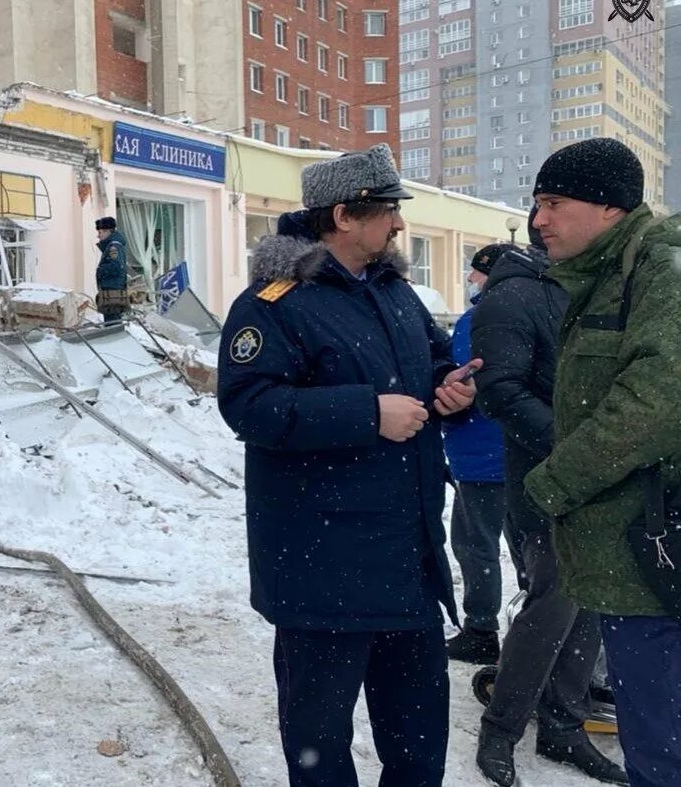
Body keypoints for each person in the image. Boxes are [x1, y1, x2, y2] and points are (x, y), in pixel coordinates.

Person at [218, 144, 479, 787]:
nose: (398, 225)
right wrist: (368, 412)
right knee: (320, 748)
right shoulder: (273, 303)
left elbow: (434, 358)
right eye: (388, 211)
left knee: (418, 749)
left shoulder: (394, 291)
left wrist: (450, 386)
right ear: (343, 214)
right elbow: (250, 405)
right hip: (323, 571)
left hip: (408, 563)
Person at [521, 138, 681, 787]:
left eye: (553, 203)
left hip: (655, 561)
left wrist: (555, 481)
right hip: (633, 557)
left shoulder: (658, 271)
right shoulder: (608, 275)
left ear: (610, 208)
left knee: (661, 753)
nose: (539, 220)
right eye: (535, 204)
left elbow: (654, 400)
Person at [471, 206, 626, 785]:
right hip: (546, 484)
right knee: (552, 607)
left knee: (590, 606)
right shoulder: (512, 297)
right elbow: (502, 394)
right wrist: (578, 446)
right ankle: (501, 728)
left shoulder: (586, 287)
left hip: (600, 481)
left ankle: (564, 728)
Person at [444, 243, 524, 666]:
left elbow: (459, 383)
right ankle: (538, 627)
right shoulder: (535, 311)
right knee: (531, 548)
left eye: (477, 272)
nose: (472, 279)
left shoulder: (479, 322)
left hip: (481, 454)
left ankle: (480, 629)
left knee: (476, 545)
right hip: (523, 451)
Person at [94, 216, 128, 323]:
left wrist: (100, 270)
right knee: (112, 322)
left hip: (113, 294)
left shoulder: (113, 247)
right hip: (112, 292)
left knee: (113, 325)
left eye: (100, 232)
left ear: (108, 231)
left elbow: (117, 266)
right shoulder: (112, 245)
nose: (98, 236)